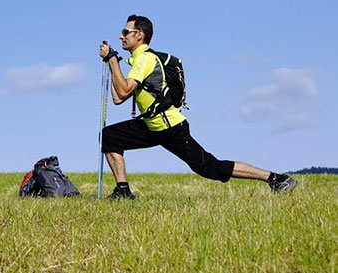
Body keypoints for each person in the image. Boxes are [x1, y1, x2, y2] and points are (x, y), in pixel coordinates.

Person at [99, 14, 297, 200]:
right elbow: (118, 98)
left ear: (139, 35)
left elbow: (123, 91)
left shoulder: (145, 59)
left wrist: (113, 60)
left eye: (125, 32)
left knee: (211, 168)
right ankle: (123, 191)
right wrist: (112, 64)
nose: (121, 36)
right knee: (110, 136)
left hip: (171, 129)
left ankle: (276, 179)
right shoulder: (137, 61)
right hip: (152, 126)